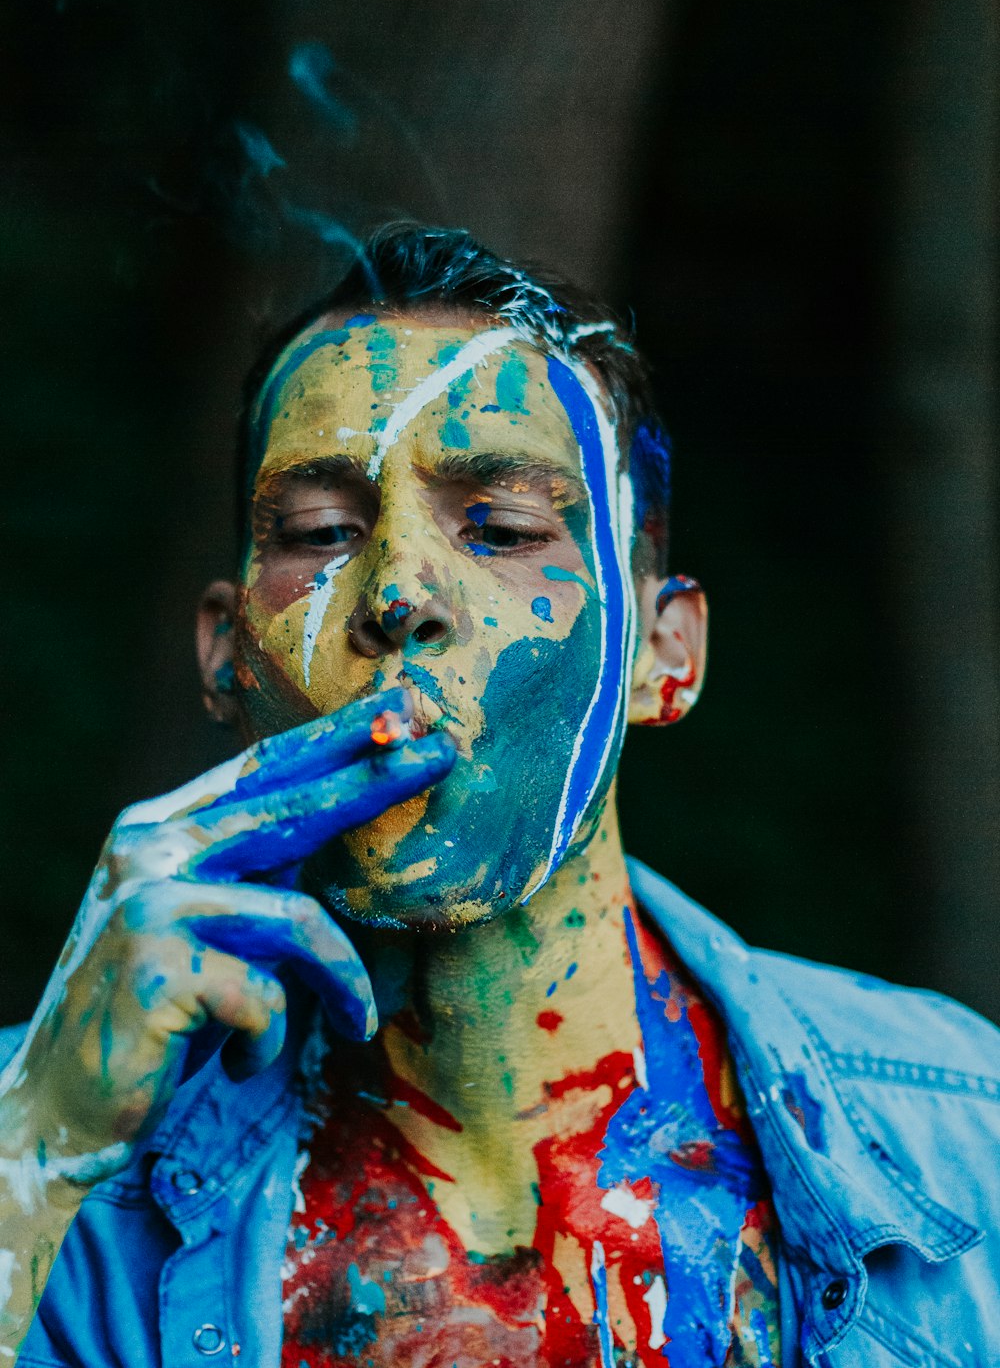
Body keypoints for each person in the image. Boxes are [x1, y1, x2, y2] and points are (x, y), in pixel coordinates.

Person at [0, 224, 997, 1368]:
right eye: (320, 533)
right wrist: (37, 1145)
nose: (398, 592)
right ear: (228, 654)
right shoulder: (40, 1145)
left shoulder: (967, 1133)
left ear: (660, 655)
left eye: (505, 528)